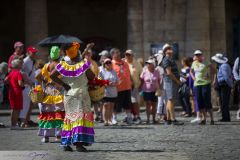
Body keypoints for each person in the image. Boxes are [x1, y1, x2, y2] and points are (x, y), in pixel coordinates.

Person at [50, 42, 95, 152]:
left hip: (69, 94)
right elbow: (91, 76)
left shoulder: (64, 63)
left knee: (69, 119)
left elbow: (52, 75)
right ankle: (78, 144)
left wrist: (64, 84)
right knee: (79, 119)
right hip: (80, 95)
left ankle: (66, 143)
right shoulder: (82, 64)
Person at [36, 46, 65, 143]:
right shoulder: (60, 65)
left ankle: (46, 136)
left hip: (48, 91)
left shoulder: (47, 65)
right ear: (59, 55)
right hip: (58, 91)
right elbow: (62, 79)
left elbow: (38, 77)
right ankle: (58, 136)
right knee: (58, 114)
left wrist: (46, 81)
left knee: (47, 114)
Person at [190, 50, 214, 125]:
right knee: (200, 102)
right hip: (197, 85)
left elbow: (214, 69)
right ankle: (204, 118)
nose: (197, 56)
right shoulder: (194, 63)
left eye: (199, 54)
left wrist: (212, 78)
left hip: (205, 83)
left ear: (201, 55)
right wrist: (193, 78)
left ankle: (212, 119)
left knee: (207, 101)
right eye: (196, 55)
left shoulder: (206, 62)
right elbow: (191, 71)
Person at [162, 44, 183, 125]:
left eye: (170, 48)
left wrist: (180, 76)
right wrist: (177, 81)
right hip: (170, 81)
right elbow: (169, 73)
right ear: (165, 51)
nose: (170, 49)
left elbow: (173, 71)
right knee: (171, 100)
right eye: (168, 48)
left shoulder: (171, 59)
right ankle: (173, 119)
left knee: (169, 100)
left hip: (172, 81)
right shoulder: (167, 59)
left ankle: (168, 119)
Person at [111, 48, 132, 124]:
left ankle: (129, 117)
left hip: (127, 86)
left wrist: (131, 82)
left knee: (127, 104)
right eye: (116, 53)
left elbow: (129, 73)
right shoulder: (111, 63)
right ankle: (114, 118)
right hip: (117, 88)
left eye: (119, 52)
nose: (118, 54)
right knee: (116, 105)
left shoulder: (124, 62)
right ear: (112, 55)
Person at [19, 46, 38, 127]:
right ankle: (22, 121)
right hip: (26, 85)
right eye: (33, 52)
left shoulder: (32, 60)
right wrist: (26, 80)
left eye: (35, 52)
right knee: (26, 104)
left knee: (31, 104)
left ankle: (27, 120)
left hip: (32, 85)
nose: (34, 53)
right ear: (28, 52)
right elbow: (20, 71)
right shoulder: (25, 60)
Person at [212, 53, 233, 122]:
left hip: (225, 85)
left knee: (224, 102)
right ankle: (224, 117)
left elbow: (226, 77)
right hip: (222, 85)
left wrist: (231, 85)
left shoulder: (224, 66)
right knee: (222, 102)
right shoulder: (221, 65)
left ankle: (226, 117)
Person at [5, 59, 24, 130]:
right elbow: (20, 83)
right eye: (20, 64)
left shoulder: (11, 73)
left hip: (11, 92)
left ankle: (12, 124)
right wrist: (24, 84)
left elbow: (6, 80)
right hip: (17, 92)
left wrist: (11, 85)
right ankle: (14, 124)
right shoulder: (18, 73)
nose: (21, 65)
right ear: (18, 65)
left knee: (13, 109)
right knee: (17, 109)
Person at [124, 49, 143, 124]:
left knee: (135, 102)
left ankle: (137, 116)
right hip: (125, 86)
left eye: (129, 55)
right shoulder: (123, 62)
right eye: (126, 55)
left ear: (132, 55)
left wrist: (140, 85)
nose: (127, 56)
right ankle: (129, 116)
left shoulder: (137, 63)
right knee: (127, 102)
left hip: (134, 86)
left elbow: (141, 75)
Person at [83, 49, 102, 122]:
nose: (88, 54)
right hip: (84, 84)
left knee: (95, 101)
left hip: (93, 84)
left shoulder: (94, 63)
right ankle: (86, 116)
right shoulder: (82, 62)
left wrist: (98, 82)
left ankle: (96, 115)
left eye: (89, 53)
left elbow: (98, 73)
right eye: (87, 53)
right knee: (85, 102)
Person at [140, 59, 160, 124]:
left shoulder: (157, 72)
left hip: (154, 91)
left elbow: (159, 80)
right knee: (148, 105)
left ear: (153, 65)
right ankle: (148, 119)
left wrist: (158, 88)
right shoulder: (144, 71)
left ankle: (154, 119)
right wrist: (140, 88)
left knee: (154, 105)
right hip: (146, 90)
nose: (148, 65)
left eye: (149, 64)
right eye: (147, 64)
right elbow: (142, 80)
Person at [99, 58, 118, 126]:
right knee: (105, 105)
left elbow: (117, 81)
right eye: (107, 63)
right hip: (105, 91)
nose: (108, 64)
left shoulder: (114, 72)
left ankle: (110, 120)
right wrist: (105, 84)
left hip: (113, 91)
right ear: (104, 64)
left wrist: (114, 84)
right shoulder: (102, 72)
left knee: (111, 106)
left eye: (109, 62)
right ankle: (105, 120)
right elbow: (99, 81)